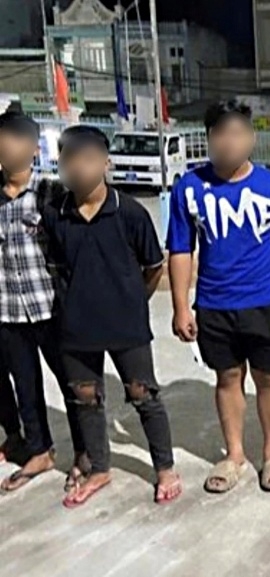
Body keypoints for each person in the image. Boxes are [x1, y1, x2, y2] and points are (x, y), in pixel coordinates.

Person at [42, 125, 181, 507]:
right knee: (85, 398)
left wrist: (132, 301)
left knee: (143, 394)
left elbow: (153, 267)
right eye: (71, 159)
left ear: (106, 163)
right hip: (76, 327)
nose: (80, 167)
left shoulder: (130, 212)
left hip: (126, 325)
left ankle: (165, 468)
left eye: (88, 159)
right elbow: (56, 267)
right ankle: (99, 468)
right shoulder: (55, 214)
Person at [168, 100, 270, 494]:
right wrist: (180, 307)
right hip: (214, 304)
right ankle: (235, 454)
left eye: (238, 133)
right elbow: (180, 249)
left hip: (265, 302)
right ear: (209, 138)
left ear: (252, 138)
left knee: (268, 377)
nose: (230, 141)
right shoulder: (189, 188)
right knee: (227, 377)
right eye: (221, 133)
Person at [0, 111, 87, 492]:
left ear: (34, 148)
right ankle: (39, 450)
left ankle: (85, 452)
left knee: (73, 384)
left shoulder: (52, 193)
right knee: (26, 385)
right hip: (8, 309)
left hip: (51, 306)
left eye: (15, 139)